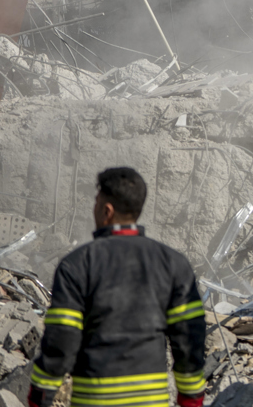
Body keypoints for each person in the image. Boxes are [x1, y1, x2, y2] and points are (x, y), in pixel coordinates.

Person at [28, 168, 207, 407]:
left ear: (107, 210)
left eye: (96, 203)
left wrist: (39, 396)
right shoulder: (174, 263)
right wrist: (191, 397)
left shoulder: (77, 264)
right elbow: (189, 338)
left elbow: (62, 339)